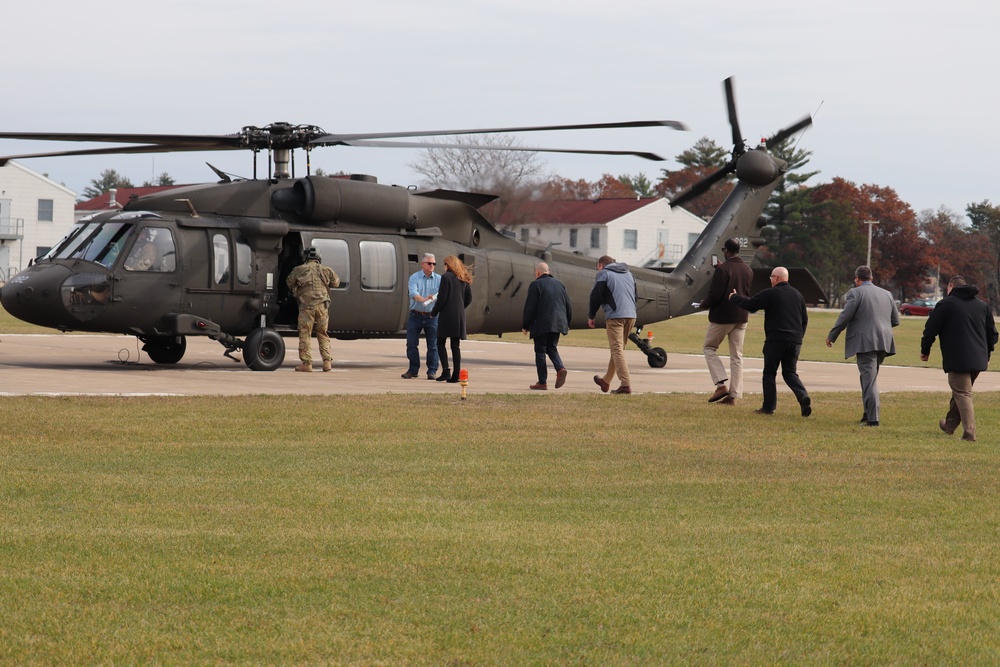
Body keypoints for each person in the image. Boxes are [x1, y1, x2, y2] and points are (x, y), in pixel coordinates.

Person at [920, 275, 998, 442]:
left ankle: (969, 433)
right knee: (961, 392)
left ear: (951, 286)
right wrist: (988, 354)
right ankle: (949, 425)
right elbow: (992, 334)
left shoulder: (946, 304)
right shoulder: (982, 306)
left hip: (958, 358)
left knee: (962, 393)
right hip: (978, 358)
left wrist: (925, 350)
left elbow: (930, 329)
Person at [729, 266, 812, 416]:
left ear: (777, 278)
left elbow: (751, 305)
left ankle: (768, 407)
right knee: (790, 373)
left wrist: (733, 297)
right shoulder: (798, 295)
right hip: (795, 341)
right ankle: (803, 396)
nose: (771, 280)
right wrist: (799, 338)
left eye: (772, 277)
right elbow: (804, 320)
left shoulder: (771, 293)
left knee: (769, 373)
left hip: (776, 340)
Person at [825, 265, 900, 426]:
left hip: (866, 342)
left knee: (869, 381)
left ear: (857, 279)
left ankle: (873, 419)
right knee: (868, 378)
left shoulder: (855, 293)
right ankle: (867, 413)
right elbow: (895, 320)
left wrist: (832, 335)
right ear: (871, 278)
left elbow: (845, 316)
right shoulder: (887, 294)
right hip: (883, 342)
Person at [700, 238, 753, 406]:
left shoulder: (723, 270)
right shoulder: (747, 270)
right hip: (742, 316)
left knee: (709, 348)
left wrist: (704, 304)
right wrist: (721, 267)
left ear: (726, 251)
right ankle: (733, 395)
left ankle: (721, 384)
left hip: (723, 316)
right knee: (737, 356)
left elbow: (715, 295)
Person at [588, 255, 637, 394]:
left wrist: (591, 315)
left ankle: (625, 385)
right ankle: (606, 381)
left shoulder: (604, 274)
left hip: (615, 316)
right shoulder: (629, 274)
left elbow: (595, 296)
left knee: (617, 350)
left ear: (601, 265)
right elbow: (635, 295)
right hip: (631, 315)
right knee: (618, 350)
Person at [285, 246, 340, 372]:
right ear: (319, 257)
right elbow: (336, 282)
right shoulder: (326, 270)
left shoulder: (299, 269)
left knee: (305, 333)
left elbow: (289, 282)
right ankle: (327, 362)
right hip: (322, 306)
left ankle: (307, 363)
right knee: (322, 333)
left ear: (305, 257)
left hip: (306, 307)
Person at [522, 262, 573, 390]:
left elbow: (530, 307)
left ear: (538, 272)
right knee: (552, 348)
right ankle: (560, 368)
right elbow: (568, 305)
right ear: (548, 272)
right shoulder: (560, 284)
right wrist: (567, 322)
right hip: (558, 322)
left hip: (541, 323)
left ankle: (542, 382)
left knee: (540, 351)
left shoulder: (536, 284)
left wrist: (525, 325)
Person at [431, 255, 473, 383]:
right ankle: (456, 374)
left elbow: (442, 298)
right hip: (459, 316)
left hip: (447, 315)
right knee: (455, 345)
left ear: (447, 265)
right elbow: (469, 298)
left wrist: (434, 312)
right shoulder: (463, 278)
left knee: (440, 343)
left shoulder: (446, 277)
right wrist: (460, 307)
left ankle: (445, 371)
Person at [401, 253, 441, 380]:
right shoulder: (414, 278)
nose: (432, 266)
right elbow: (413, 293)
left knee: (433, 345)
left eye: (434, 263)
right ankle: (413, 369)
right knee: (411, 344)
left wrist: (434, 300)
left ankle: (432, 370)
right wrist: (424, 299)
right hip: (416, 315)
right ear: (423, 264)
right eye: (429, 263)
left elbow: (442, 294)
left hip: (432, 316)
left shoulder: (439, 279)